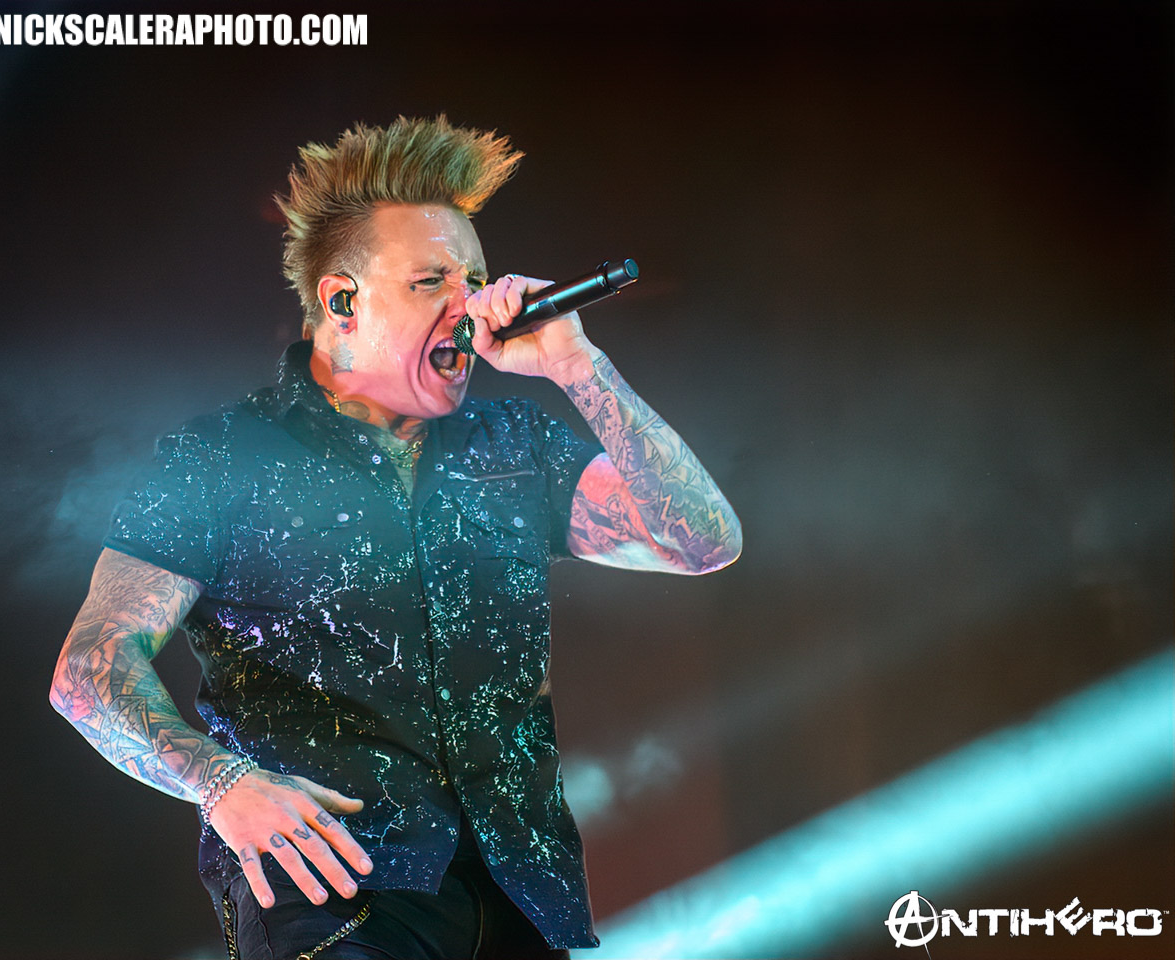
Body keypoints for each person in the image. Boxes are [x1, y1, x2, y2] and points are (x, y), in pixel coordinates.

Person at [50, 115, 742, 960]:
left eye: (475, 279)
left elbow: (702, 540)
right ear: (342, 301)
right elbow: (89, 671)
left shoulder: (512, 445)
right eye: (431, 281)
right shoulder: (224, 457)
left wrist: (576, 364)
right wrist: (221, 782)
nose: (471, 305)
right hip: (331, 887)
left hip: (519, 891)